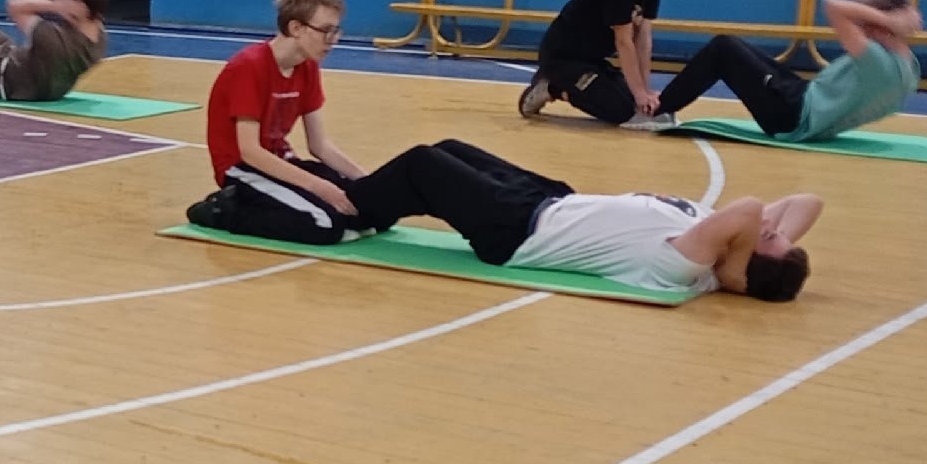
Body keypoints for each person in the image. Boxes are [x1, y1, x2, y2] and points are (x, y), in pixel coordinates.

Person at [347, 139, 821, 300]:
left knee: (424, 163)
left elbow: (750, 208)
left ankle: (342, 208)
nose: (768, 227)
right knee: (450, 150)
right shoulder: (721, 238)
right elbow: (808, 201)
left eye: (769, 238)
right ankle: (379, 206)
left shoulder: (688, 265)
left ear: (744, 262)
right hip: (549, 200)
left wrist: (735, 276)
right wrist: (771, 241)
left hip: (518, 231)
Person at [185, 0, 370, 243]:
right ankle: (224, 211)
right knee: (326, 224)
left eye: (336, 31)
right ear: (296, 28)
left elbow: (319, 145)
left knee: (365, 208)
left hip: (280, 161)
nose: (333, 40)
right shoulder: (249, 66)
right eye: (325, 31)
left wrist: (366, 181)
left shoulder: (307, 66)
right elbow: (250, 152)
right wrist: (318, 186)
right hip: (242, 169)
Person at [644, 0, 924, 138]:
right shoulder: (908, 69)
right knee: (739, 48)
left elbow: (833, 7)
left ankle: (658, 110)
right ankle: (661, 107)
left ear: (881, 28)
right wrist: (896, 18)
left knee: (723, 47)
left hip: (791, 114)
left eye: (866, 25)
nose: (861, 29)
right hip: (803, 99)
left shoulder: (877, 63)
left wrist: (889, 20)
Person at [518, 0, 697, 125]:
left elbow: (643, 40)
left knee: (632, 102)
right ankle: (552, 87)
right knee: (621, 111)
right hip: (563, 58)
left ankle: (571, 84)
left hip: (592, 60)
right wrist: (639, 94)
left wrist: (645, 91)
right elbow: (624, 41)